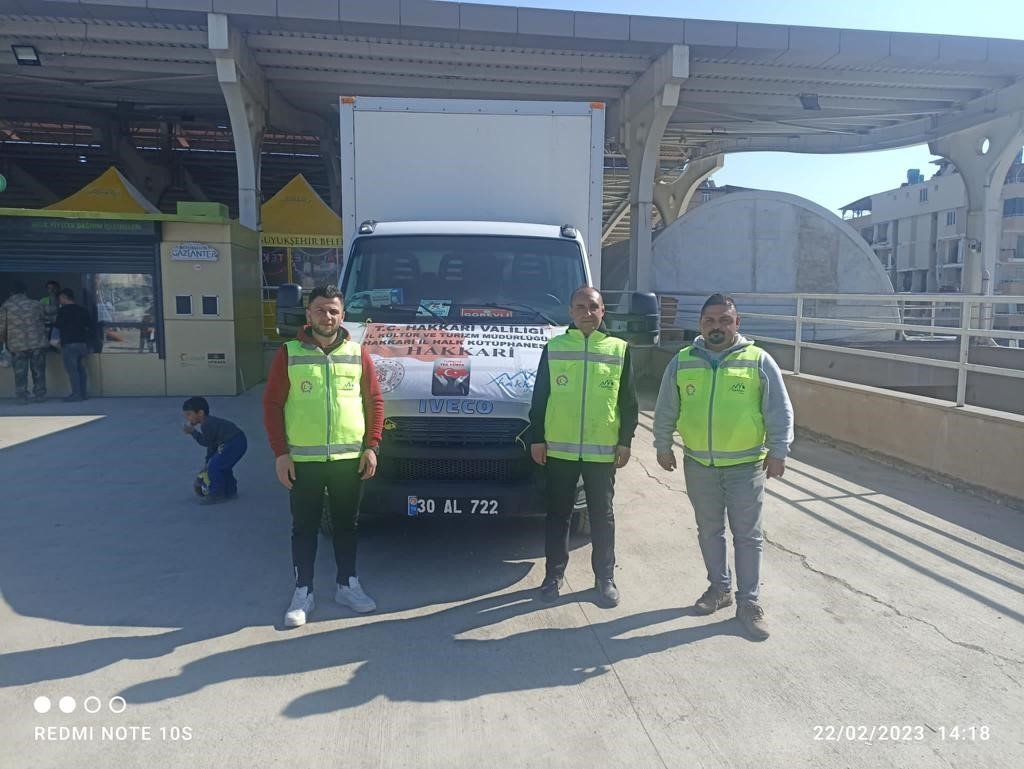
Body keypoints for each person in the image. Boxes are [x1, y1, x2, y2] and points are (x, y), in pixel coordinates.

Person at [653, 293, 794, 641]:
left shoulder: (758, 361)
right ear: (700, 324)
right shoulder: (682, 361)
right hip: (699, 464)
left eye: (724, 320)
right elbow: (667, 407)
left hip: (745, 466)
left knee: (747, 536)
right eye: (710, 321)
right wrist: (662, 444)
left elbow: (779, 409)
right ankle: (719, 589)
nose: (717, 327)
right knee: (709, 531)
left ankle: (749, 603)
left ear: (737, 323)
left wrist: (779, 450)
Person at [263, 283, 385, 628]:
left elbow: (374, 401)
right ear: (308, 314)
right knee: (304, 528)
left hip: (349, 460)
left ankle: (348, 585)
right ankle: (303, 592)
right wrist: (281, 454)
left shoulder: (357, 353)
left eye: (333, 310)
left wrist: (372, 446)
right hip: (304, 461)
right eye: (320, 309)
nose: (327, 316)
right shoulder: (289, 353)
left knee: (347, 526)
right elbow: (272, 405)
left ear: (343, 316)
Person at [529, 286, 639, 608]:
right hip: (559, 449)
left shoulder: (619, 349)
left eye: (593, 307)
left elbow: (628, 401)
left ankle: (605, 578)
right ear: (570, 312)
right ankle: (553, 577)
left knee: (602, 516)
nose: (587, 313)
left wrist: (625, 440)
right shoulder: (554, 348)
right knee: (558, 515)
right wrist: (537, 438)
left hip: (601, 449)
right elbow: (540, 397)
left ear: (603, 311)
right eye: (580, 307)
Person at [182, 396, 248, 505]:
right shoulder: (209, 422)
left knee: (215, 467)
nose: (187, 418)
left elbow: (206, 442)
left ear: (200, 413)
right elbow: (212, 445)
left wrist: (193, 432)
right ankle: (230, 491)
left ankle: (217, 493)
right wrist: (207, 461)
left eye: (189, 414)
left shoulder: (207, 424)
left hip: (233, 443)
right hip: (237, 441)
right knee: (222, 466)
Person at [0, 280, 48, 404]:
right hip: (37, 342)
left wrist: (3, 342)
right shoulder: (36, 304)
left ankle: (22, 396)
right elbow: (45, 318)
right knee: (38, 370)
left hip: (17, 345)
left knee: (20, 372)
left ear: (11, 292)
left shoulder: (6, 306)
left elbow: (2, 328)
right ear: (25, 291)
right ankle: (40, 395)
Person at [54, 288, 93, 402]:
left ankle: (76, 394)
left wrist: (55, 342)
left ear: (64, 297)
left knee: (73, 371)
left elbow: (58, 326)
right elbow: (89, 326)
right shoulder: (83, 310)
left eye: (60, 298)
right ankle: (83, 394)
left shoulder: (63, 311)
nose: (59, 301)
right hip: (82, 344)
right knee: (82, 370)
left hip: (69, 344)